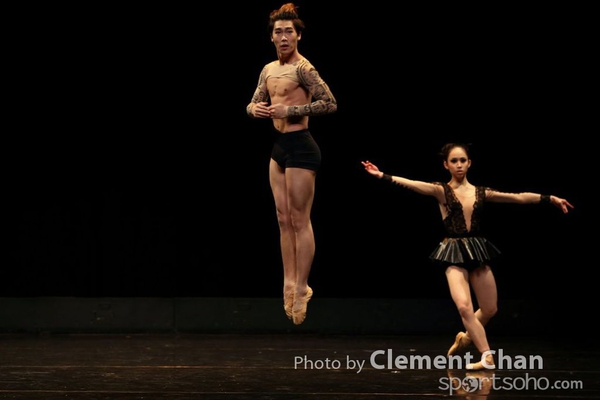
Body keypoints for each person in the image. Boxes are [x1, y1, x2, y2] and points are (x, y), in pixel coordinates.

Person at [361, 143, 574, 370]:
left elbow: (518, 198)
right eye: (454, 161)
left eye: (462, 160)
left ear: (469, 163)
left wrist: (550, 198)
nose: (459, 165)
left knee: (490, 309)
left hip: (477, 250)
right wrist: (381, 175)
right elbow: (412, 184)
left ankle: (465, 337)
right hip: (453, 251)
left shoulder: (481, 192)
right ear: (446, 165)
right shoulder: (441, 190)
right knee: (464, 307)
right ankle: (487, 357)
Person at [246, 3, 337, 325]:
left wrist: (291, 111)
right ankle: (288, 283)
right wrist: (254, 109)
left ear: (298, 36)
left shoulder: (304, 69)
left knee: (300, 220)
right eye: (278, 32)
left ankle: (302, 286)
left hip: (301, 147)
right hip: (279, 148)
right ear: (271, 37)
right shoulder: (268, 69)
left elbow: (329, 103)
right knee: (283, 219)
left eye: (289, 32)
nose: (283, 37)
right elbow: (254, 100)